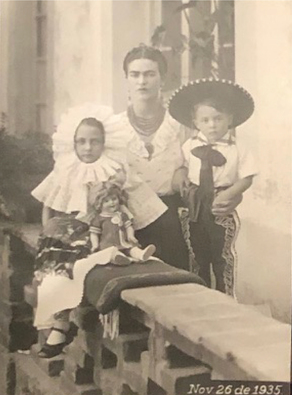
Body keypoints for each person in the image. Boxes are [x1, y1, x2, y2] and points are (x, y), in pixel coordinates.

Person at [31, 104, 165, 358]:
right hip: (71, 229)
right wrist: (48, 230)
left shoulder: (113, 169)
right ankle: (60, 321)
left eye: (95, 141)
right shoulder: (67, 167)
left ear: (106, 143)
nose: (88, 147)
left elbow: (131, 208)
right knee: (54, 263)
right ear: (73, 144)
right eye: (81, 142)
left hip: (104, 232)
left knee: (79, 260)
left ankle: (62, 324)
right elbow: (49, 202)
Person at [113, 44, 243, 271]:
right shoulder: (113, 128)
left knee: (177, 287)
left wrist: (232, 196)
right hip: (128, 221)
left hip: (174, 222)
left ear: (162, 79)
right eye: (135, 74)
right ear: (126, 79)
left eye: (150, 74)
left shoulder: (182, 126)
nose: (142, 81)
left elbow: (218, 170)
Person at [168, 78, 258, 295]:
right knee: (197, 254)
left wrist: (230, 193)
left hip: (221, 204)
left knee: (222, 255)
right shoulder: (189, 146)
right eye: (205, 120)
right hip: (195, 204)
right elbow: (180, 167)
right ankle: (200, 297)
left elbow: (247, 178)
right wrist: (180, 176)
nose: (212, 125)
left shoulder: (238, 148)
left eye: (218, 119)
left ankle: (226, 296)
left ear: (230, 119)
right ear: (196, 122)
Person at [89, 182, 156, 264]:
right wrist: (95, 245)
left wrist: (131, 236)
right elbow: (94, 234)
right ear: (99, 204)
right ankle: (120, 259)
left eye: (114, 199)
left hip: (123, 243)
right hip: (107, 246)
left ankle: (141, 254)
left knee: (132, 249)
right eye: (106, 201)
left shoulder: (122, 215)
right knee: (112, 254)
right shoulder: (99, 219)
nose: (112, 202)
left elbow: (128, 227)